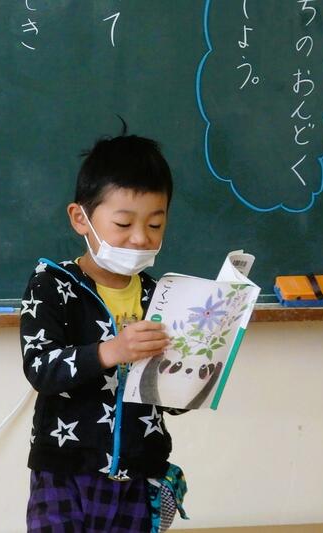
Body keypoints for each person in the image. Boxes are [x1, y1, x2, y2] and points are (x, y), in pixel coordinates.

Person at [20, 128, 188, 532]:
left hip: (141, 469)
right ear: (81, 218)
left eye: (155, 225)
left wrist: (196, 367)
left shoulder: (161, 296)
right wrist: (112, 350)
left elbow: (171, 398)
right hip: (64, 468)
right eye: (123, 223)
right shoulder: (52, 283)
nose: (140, 238)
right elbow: (40, 368)